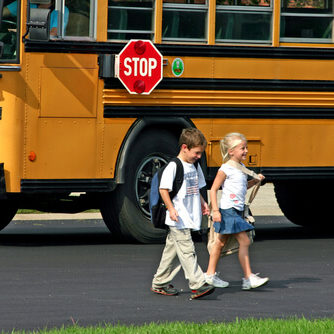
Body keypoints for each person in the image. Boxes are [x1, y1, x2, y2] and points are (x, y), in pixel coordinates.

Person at [151, 128, 215, 300]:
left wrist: (203, 203)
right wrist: (171, 209)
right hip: (178, 217)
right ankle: (197, 284)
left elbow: (197, 188)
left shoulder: (194, 165)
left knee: (172, 252)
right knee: (187, 251)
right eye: (197, 153)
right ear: (185, 147)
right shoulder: (174, 166)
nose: (199, 157)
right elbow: (163, 189)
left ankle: (160, 282)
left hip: (189, 215)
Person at [205, 132, 269, 290]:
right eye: (242, 148)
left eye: (246, 147)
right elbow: (213, 190)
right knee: (245, 241)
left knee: (219, 243)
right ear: (231, 151)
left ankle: (210, 274)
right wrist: (215, 211)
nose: (246, 151)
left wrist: (254, 181)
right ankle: (248, 278)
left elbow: (242, 187)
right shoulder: (226, 168)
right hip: (228, 210)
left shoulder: (241, 168)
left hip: (236, 210)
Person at [3, 0, 69, 36]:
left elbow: (54, 33)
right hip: (16, 45)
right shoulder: (24, 3)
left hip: (45, 48)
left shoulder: (60, 10)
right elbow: (3, 12)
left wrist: (20, 32)